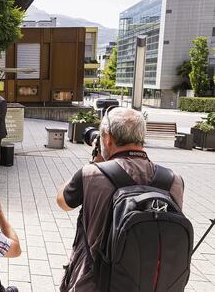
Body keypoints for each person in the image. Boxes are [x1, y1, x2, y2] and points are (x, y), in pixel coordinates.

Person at [56, 107, 185, 292]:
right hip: (154, 284)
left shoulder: (91, 175)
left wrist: (95, 161)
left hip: (94, 284)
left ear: (107, 139)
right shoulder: (173, 180)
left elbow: (62, 201)